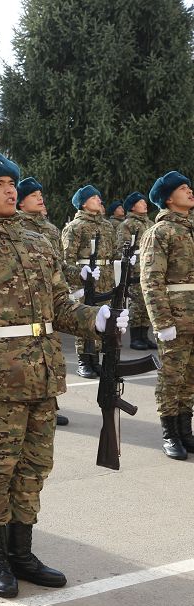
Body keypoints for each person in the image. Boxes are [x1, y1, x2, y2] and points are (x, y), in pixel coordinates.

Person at [0, 153, 126, 600]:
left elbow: (60, 307)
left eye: (12, 182)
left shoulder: (39, 241)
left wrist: (96, 318)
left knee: (35, 466)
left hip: (41, 374)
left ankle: (22, 550)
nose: (9, 189)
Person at [139, 171, 194, 461]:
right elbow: (151, 281)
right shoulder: (159, 233)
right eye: (183, 189)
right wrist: (162, 323)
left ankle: (186, 430)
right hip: (175, 318)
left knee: (190, 379)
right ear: (169, 198)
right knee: (171, 379)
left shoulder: (190, 229)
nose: (190, 191)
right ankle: (170, 433)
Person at [15, 177, 72, 426]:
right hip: (23, 302)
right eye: (32, 194)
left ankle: (51, 405)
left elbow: (58, 263)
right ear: (20, 202)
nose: (40, 197)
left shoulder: (49, 230)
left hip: (50, 300)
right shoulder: (17, 228)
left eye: (40, 193)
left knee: (49, 355)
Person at [61, 185, 117, 378]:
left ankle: (96, 361)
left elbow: (113, 251)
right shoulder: (75, 227)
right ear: (83, 204)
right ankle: (84, 361)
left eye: (98, 197)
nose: (99, 200)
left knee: (103, 319)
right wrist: (77, 283)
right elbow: (67, 259)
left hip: (105, 277)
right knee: (85, 319)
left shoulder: (107, 226)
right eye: (93, 197)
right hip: (85, 279)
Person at [118, 192, 156, 350]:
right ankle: (135, 337)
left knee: (148, 301)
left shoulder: (150, 223)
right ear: (133, 206)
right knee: (137, 303)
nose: (145, 203)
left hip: (151, 266)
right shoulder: (127, 224)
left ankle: (144, 336)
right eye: (141, 202)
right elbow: (122, 246)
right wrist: (129, 260)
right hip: (135, 268)